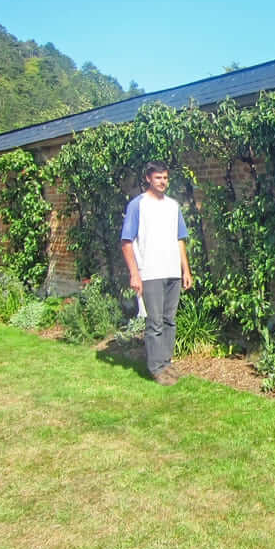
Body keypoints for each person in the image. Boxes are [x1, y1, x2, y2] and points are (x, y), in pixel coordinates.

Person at [120, 160, 192, 385]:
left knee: (169, 320)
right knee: (155, 322)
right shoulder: (137, 205)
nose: (163, 182)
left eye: (165, 178)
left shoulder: (173, 206)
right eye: (158, 178)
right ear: (148, 179)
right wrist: (134, 274)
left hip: (172, 272)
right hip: (150, 272)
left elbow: (180, 239)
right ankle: (156, 368)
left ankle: (166, 362)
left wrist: (185, 270)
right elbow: (126, 242)